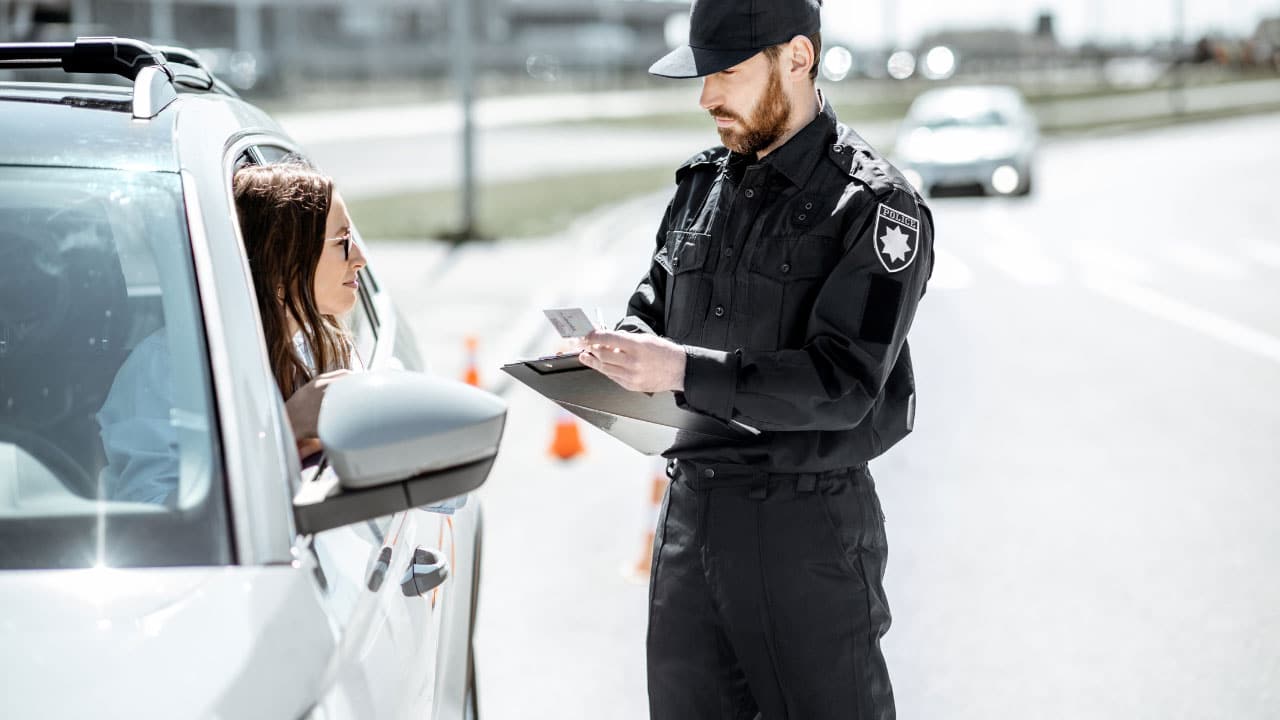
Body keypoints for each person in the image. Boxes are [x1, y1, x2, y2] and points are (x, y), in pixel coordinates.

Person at [577, 2, 934, 718]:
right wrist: (617, 347)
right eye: (703, 74)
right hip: (691, 520)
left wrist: (680, 371)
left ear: (797, 57)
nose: (706, 95)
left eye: (726, 72)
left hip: (804, 530)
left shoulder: (873, 208)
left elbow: (842, 385)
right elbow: (652, 301)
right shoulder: (700, 187)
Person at [96, 162, 366, 504]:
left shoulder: (328, 347)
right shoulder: (166, 367)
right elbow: (158, 513)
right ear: (280, 263)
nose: (359, 258)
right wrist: (288, 425)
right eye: (343, 241)